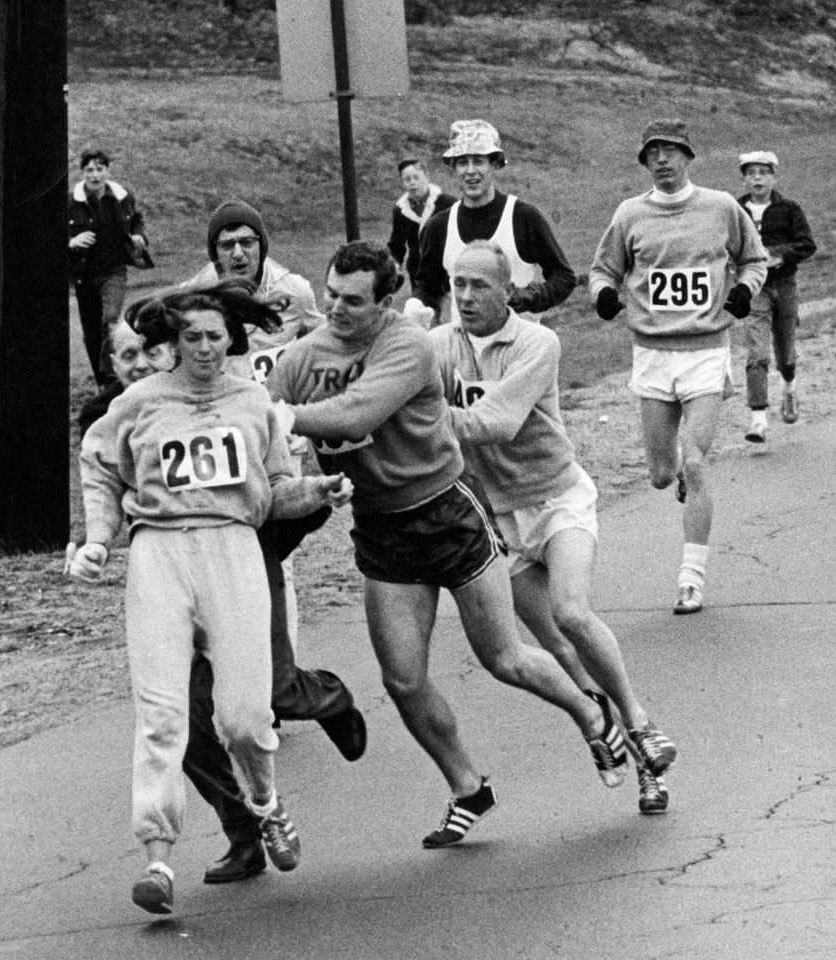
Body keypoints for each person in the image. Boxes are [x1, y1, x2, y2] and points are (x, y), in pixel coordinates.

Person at [268, 240, 629, 849]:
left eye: (354, 301)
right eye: (331, 294)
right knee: (402, 680)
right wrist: (290, 472)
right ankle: (468, 787)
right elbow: (266, 428)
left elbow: (357, 414)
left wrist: (282, 416)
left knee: (503, 657)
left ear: (386, 303)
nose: (338, 309)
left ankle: (591, 713)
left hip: (447, 513)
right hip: (382, 528)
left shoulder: (408, 345)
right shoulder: (302, 357)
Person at [67, 284, 353, 914]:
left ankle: (266, 804)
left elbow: (276, 490)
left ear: (232, 340)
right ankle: (158, 858)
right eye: (190, 336)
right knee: (163, 714)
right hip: (159, 555)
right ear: (172, 341)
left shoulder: (255, 404)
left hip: (232, 550)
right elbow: (97, 462)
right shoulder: (139, 402)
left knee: (245, 717)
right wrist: (96, 538)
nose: (202, 347)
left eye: (214, 336)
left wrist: (317, 491)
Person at [430, 240, 678, 815]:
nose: (465, 297)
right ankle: (627, 753)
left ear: (508, 291)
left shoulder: (539, 342)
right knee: (561, 654)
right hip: (498, 517)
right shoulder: (439, 345)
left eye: (479, 286)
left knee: (572, 612)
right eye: (457, 285)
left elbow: (496, 421)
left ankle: (638, 723)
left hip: (556, 498)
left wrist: (420, 415)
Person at [588, 119, 767, 616]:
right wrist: (604, 294)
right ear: (645, 163)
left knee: (696, 460)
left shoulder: (721, 207)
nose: (663, 161)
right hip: (652, 352)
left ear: (687, 156)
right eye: (653, 154)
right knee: (664, 475)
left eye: (671, 152)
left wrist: (743, 291)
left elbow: (755, 260)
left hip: (706, 349)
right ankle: (682, 476)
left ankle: (691, 579)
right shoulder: (630, 214)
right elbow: (604, 267)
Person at [183, 198, 324, 647]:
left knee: (277, 559)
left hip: (280, 442)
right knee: (225, 556)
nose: (238, 254)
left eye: (247, 242)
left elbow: (321, 341)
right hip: (225, 443)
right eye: (227, 245)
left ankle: (281, 671)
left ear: (262, 246)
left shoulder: (293, 290)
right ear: (214, 252)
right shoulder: (200, 294)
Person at [407, 119, 576, 326]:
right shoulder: (439, 226)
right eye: (462, 162)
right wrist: (416, 304)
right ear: (454, 167)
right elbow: (428, 285)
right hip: (465, 348)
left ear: (494, 164)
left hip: (519, 347)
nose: (470, 171)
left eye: (478, 161)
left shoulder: (522, 217)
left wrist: (527, 296)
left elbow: (563, 276)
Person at [736, 151, 816, 442]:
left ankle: (790, 388)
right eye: (751, 172)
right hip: (753, 289)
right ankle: (758, 420)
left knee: (785, 354)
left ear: (773, 177)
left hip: (784, 286)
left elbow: (808, 245)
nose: (757, 178)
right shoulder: (735, 209)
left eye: (763, 172)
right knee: (757, 352)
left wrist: (779, 256)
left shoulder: (790, 208)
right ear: (744, 178)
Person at [68, 148, 153, 387]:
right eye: (89, 170)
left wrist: (139, 237)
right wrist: (71, 241)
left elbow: (136, 220)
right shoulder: (69, 202)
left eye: (99, 169)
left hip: (113, 271)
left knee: (111, 319)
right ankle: (102, 383)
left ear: (108, 170)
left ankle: (113, 379)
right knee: (92, 332)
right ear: (82, 172)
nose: (94, 175)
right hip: (84, 277)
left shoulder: (122, 196)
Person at [387, 157, 455, 290]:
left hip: (446, 270)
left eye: (416, 177)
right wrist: (393, 266)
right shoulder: (400, 211)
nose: (412, 183)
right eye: (407, 179)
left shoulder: (447, 203)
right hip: (417, 272)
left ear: (427, 177)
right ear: (402, 183)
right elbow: (396, 245)